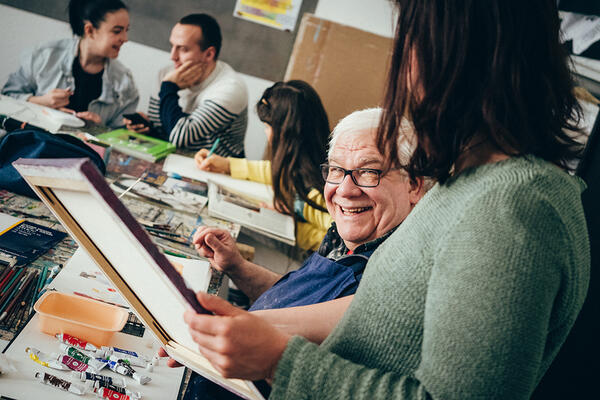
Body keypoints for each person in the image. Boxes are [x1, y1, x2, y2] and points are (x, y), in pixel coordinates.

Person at [176, 0, 591, 399]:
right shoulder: (470, 184)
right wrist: (228, 330)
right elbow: (374, 314)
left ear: (455, 53)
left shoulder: (513, 207)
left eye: (411, 38)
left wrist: (278, 361)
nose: (404, 67)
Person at [183, 107, 429, 399]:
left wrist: (224, 330)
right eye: (337, 170)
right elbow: (304, 301)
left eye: (368, 172)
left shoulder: (400, 271)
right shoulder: (345, 234)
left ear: (414, 185)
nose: (345, 189)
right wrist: (237, 266)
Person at [194, 80, 333, 250]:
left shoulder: (319, 191)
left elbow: (337, 239)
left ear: (286, 134)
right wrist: (227, 165)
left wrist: (291, 226)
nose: (266, 133)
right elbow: (275, 171)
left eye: (267, 127)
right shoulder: (304, 165)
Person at [125, 14, 248, 157]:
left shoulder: (230, 88)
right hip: (175, 161)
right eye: (172, 46)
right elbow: (162, 131)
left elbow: (179, 137)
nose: (173, 56)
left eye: (183, 49)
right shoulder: (166, 74)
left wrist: (169, 87)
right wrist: (147, 128)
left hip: (216, 169)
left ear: (208, 54)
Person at [1, 0, 138, 128]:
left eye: (127, 30)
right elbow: (6, 99)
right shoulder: (44, 57)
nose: (125, 39)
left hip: (84, 153)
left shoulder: (125, 82)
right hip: (31, 146)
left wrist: (97, 128)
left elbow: (120, 142)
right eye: (117, 31)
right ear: (89, 30)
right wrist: (41, 102)